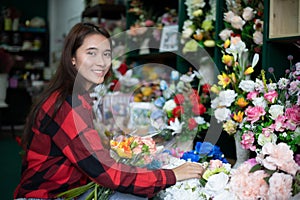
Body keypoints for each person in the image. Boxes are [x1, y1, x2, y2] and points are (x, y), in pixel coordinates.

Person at [14, 22, 204, 200]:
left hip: (67, 190)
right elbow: (104, 172)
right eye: (91, 53)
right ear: (72, 58)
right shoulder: (66, 103)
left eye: (106, 54)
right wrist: (170, 175)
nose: (102, 62)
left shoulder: (77, 96)